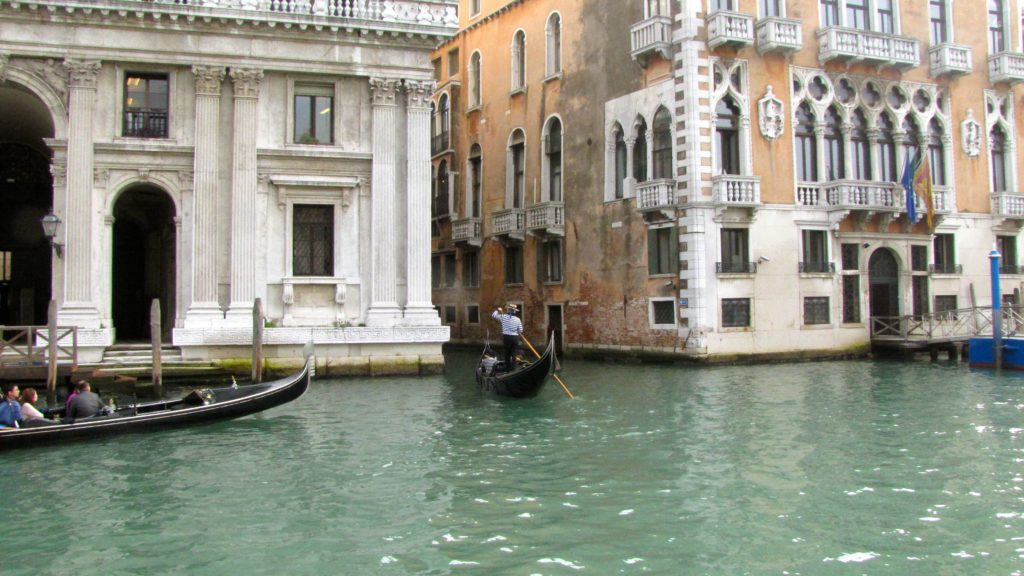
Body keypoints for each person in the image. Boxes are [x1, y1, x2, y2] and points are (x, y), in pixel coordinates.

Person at [491, 304, 523, 372]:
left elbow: (493, 315)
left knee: (507, 353)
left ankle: (508, 369)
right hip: (515, 338)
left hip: (507, 337)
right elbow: (520, 330)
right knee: (514, 353)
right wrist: (516, 330)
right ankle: (513, 368)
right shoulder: (518, 319)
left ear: (508, 310)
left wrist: (497, 310)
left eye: (507, 309)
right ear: (514, 311)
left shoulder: (503, 317)